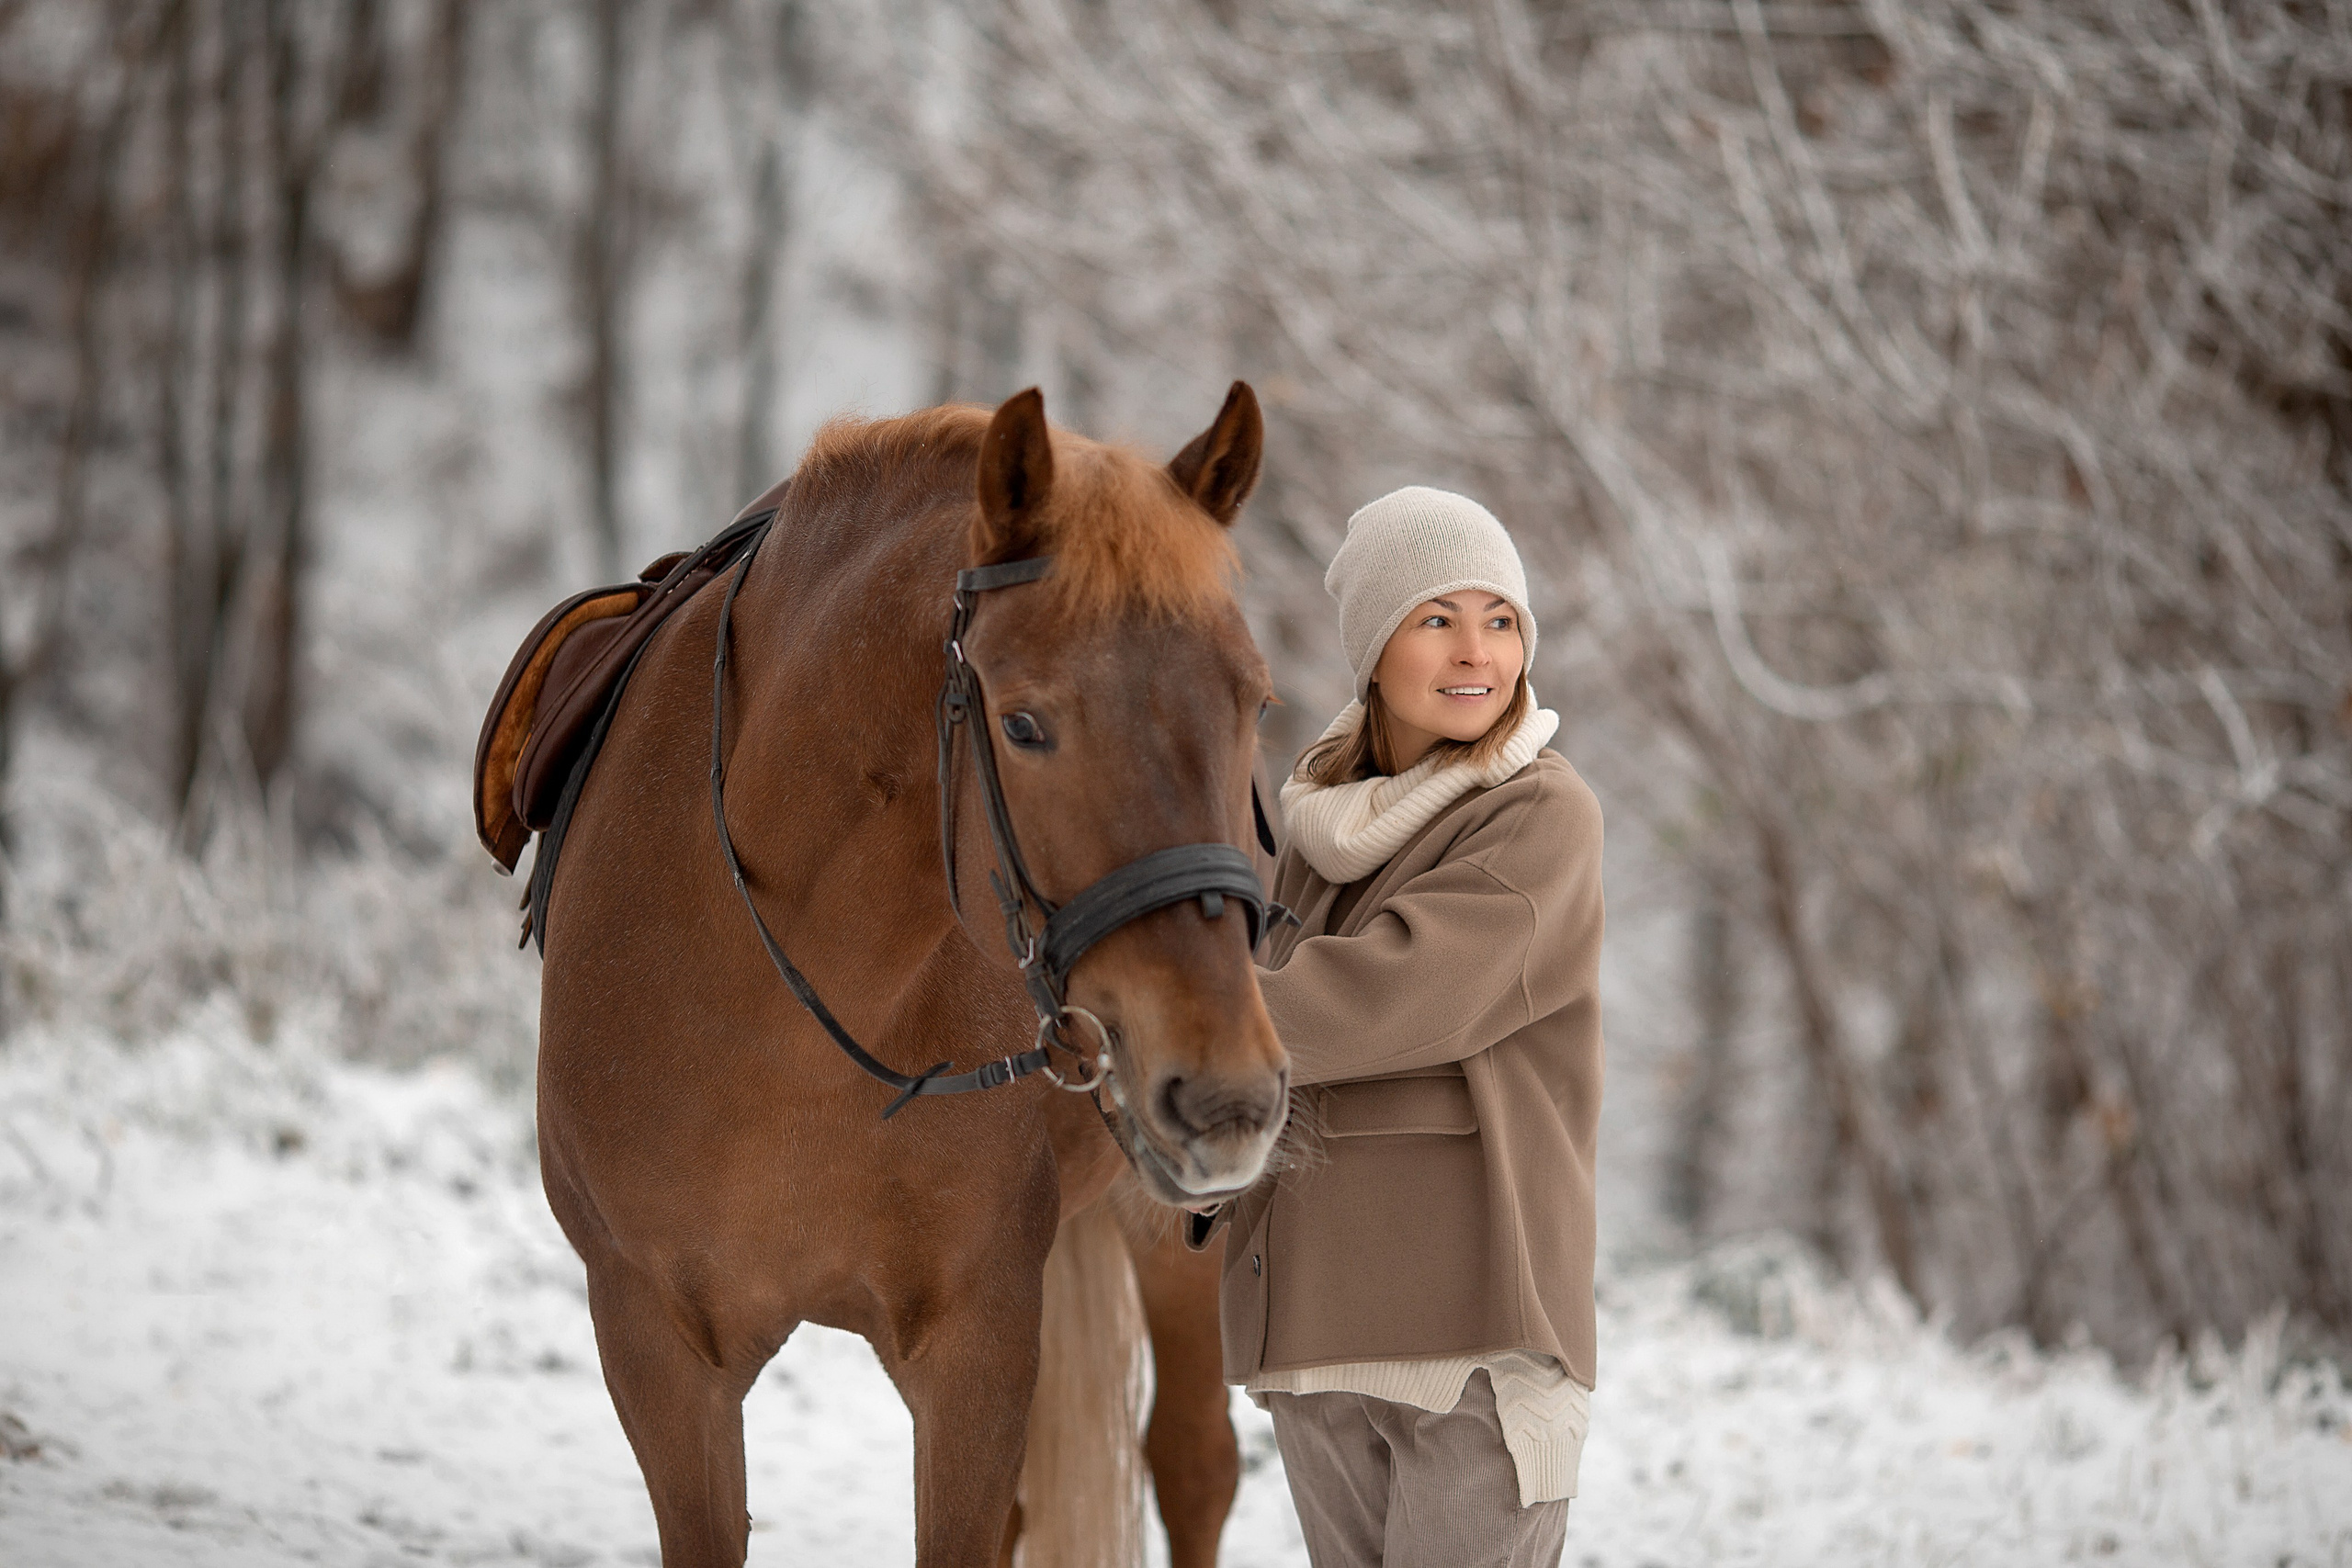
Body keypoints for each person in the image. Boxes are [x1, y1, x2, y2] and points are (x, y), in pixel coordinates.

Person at [1189, 485, 1604, 1568]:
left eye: (1500, 620)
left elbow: (1405, 991)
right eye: (1436, 619)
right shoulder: (1323, 828)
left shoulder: (1538, 812)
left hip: (1473, 1331)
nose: (1477, 652)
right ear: (1373, 649)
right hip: (1322, 1330)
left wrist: (1183, 1007)